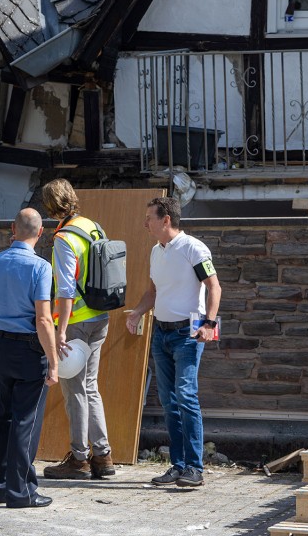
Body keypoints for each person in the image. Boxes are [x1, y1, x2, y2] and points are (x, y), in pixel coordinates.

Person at [125, 197, 221, 488]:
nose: (145, 223)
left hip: (188, 334)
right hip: (161, 332)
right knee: (169, 401)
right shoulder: (156, 251)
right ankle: (178, 466)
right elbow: (152, 292)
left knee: (186, 395)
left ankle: (195, 467)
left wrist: (210, 323)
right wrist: (137, 313)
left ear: (166, 219)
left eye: (149, 218)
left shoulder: (193, 248)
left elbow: (214, 286)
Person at [40, 179, 115, 480]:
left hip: (77, 322)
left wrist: (60, 330)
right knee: (90, 388)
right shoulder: (92, 226)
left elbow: (66, 289)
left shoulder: (64, 238)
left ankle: (79, 459)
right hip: (100, 317)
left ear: (49, 206)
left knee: (75, 392)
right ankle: (103, 456)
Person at [0, 208, 58, 508]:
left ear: (12, 229)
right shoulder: (40, 267)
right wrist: (53, 362)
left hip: (2, 344)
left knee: (4, 416)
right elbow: (43, 319)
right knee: (25, 421)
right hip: (30, 347)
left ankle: (2, 486)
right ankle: (21, 492)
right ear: (40, 233)